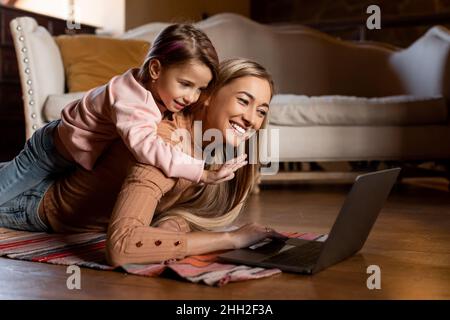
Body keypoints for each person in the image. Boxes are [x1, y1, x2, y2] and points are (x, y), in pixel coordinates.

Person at [0, 59, 286, 266]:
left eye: (261, 110)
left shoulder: (210, 149)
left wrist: (173, 228)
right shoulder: (164, 147)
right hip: (33, 201)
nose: (252, 118)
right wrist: (232, 240)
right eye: (244, 101)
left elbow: (178, 210)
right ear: (209, 96)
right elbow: (123, 247)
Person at [0, 24, 246, 206]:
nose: (192, 97)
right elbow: (148, 148)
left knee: (13, 180)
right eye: (185, 84)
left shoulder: (156, 89)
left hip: (70, 155)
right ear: (155, 68)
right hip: (46, 153)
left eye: (200, 89)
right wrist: (202, 173)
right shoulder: (131, 102)